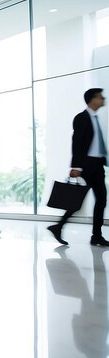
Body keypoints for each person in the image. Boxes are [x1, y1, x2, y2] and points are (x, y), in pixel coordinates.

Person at [48, 88, 109, 246]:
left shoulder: (95, 118)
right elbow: (77, 143)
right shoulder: (82, 118)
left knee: (100, 199)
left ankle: (94, 235)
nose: (103, 99)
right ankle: (61, 227)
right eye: (100, 97)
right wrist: (76, 166)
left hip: (97, 164)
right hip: (87, 165)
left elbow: (96, 144)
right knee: (79, 199)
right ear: (92, 99)